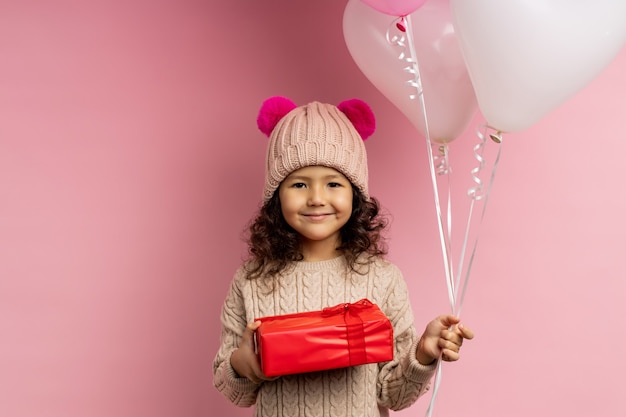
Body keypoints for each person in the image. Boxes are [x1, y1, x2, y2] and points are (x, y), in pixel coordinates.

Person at [212, 96, 474, 417]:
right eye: (299, 184)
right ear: (276, 195)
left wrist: (422, 354)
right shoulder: (251, 281)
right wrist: (242, 364)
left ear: (356, 194)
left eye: (333, 183)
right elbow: (232, 390)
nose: (317, 198)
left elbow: (394, 395)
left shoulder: (382, 279)